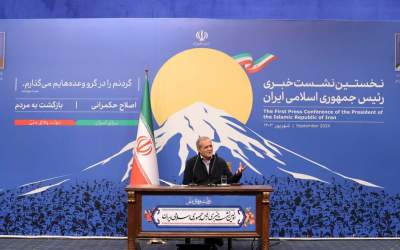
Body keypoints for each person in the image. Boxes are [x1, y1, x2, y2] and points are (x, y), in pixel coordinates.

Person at [182, 136, 246, 249]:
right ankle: (214, 239)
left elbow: (230, 182)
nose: (210, 149)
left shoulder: (220, 162)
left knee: (216, 210)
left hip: (218, 201)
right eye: (206, 147)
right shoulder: (191, 163)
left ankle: (212, 240)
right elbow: (185, 184)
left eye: (211, 146)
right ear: (199, 150)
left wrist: (238, 174)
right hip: (198, 202)